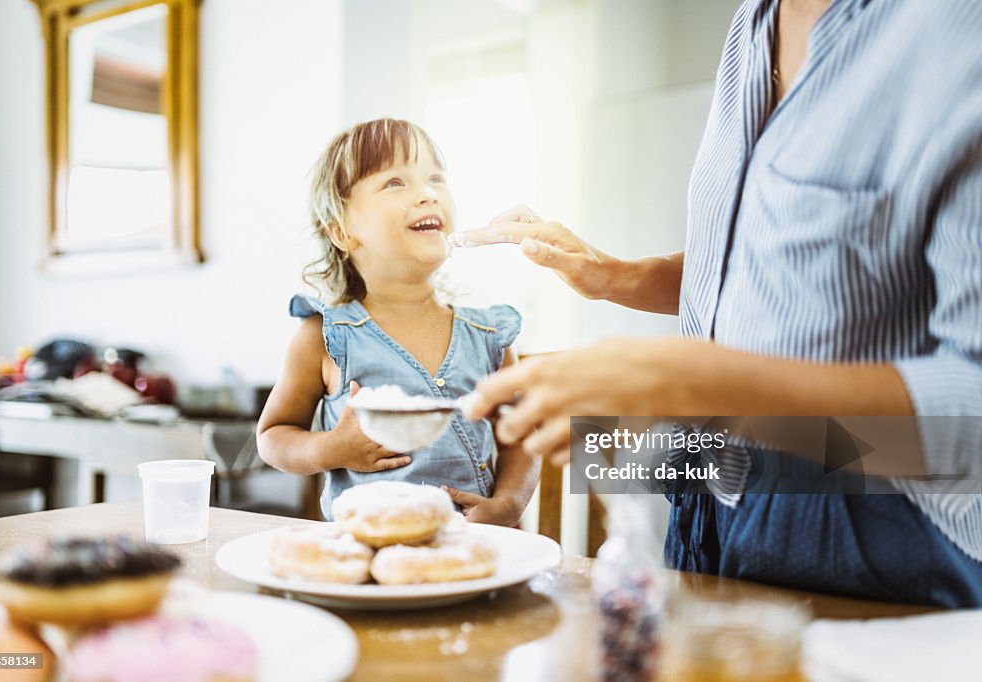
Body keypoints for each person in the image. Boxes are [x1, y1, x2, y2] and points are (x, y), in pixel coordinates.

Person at [454, 0, 982, 607]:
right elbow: (766, 271)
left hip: (875, 520)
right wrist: (613, 277)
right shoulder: (749, 27)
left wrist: (692, 383)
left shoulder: (955, 28)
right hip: (710, 479)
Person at [258, 118, 538, 524]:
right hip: (367, 559)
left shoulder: (490, 337)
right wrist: (331, 449)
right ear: (341, 231)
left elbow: (521, 438)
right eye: (394, 183)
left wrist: (508, 505)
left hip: (474, 553)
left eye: (436, 178)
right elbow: (272, 437)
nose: (427, 194)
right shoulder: (324, 337)